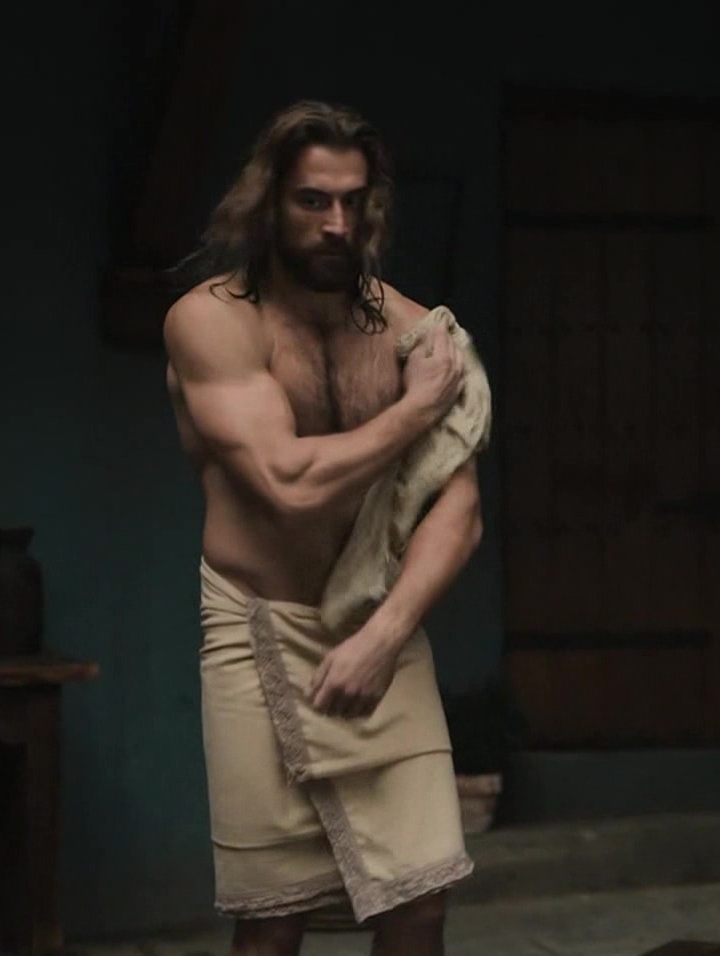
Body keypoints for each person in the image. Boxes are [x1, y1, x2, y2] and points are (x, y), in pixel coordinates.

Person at [163, 100, 484, 956]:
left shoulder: (414, 329)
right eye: (312, 200)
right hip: (256, 627)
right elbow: (285, 483)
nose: (336, 224)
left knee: (421, 903)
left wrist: (386, 633)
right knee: (274, 919)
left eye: (352, 200)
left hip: (381, 625)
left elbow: (458, 509)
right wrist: (414, 410)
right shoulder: (212, 320)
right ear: (268, 200)